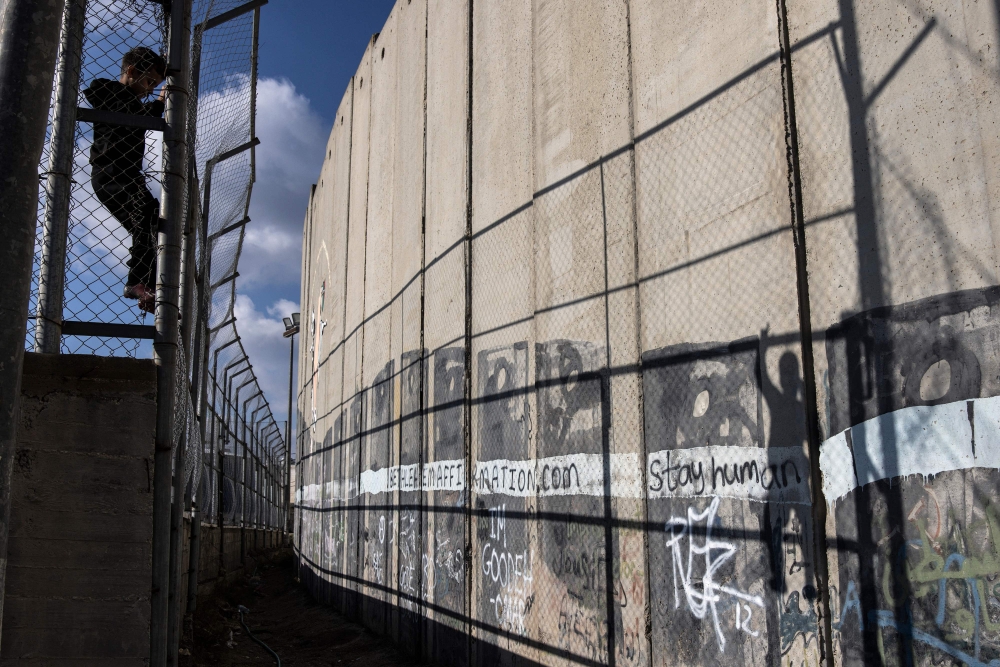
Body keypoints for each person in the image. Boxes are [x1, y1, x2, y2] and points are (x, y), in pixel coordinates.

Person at [84, 46, 167, 314]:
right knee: (146, 217)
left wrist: (158, 103)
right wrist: (158, 104)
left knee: (152, 220)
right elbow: (129, 111)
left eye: (155, 85)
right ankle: (137, 282)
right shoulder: (109, 91)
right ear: (131, 72)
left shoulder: (133, 106)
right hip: (111, 173)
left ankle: (149, 285)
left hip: (128, 176)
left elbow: (142, 117)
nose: (150, 89)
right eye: (148, 81)